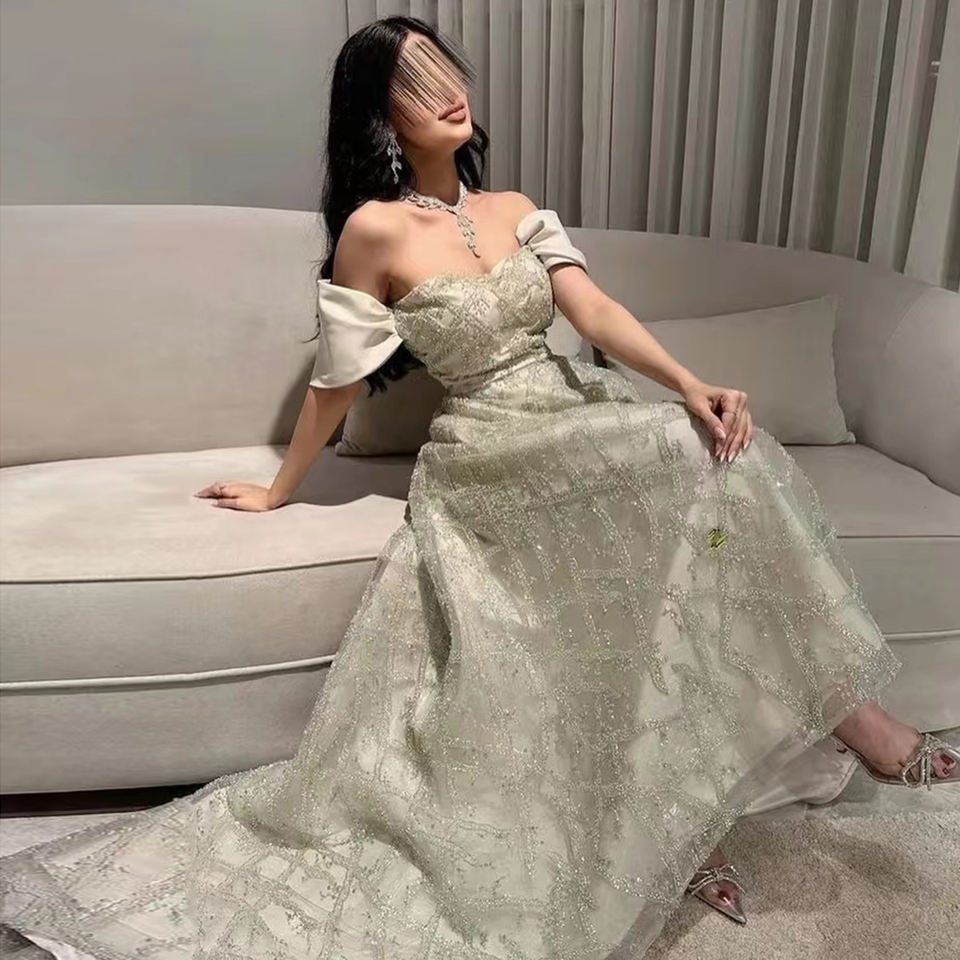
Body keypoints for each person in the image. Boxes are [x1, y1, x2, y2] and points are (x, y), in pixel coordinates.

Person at [1, 14, 957, 960]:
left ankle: (703, 800)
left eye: (445, 69)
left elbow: (594, 310)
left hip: (580, 412)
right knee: (680, 461)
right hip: (492, 446)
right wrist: (279, 486)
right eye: (414, 85)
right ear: (381, 117)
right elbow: (336, 382)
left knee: (711, 460)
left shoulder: (513, 206)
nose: (447, 92)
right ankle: (856, 730)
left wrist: (688, 381)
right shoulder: (373, 231)